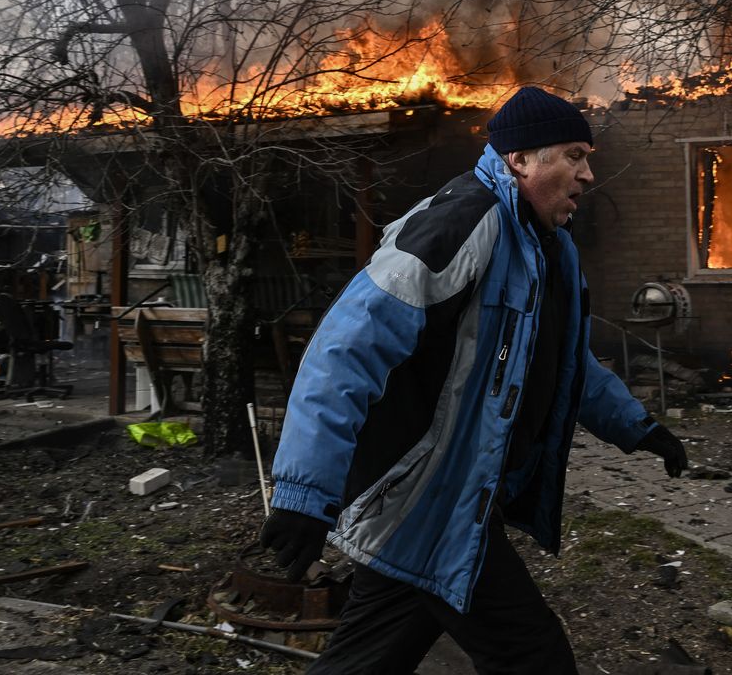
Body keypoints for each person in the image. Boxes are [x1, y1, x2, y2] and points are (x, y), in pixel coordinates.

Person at [262, 85, 688, 674]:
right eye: (574, 155)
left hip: (449, 500)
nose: (588, 175)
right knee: (533, 655)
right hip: (424, 499)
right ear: (521, 159)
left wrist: (636, 427)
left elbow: (563, 360)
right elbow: (345, 350)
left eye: (587, 158)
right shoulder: (462, 222)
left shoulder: (546, 247)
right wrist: (305, 494)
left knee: (375, 653)